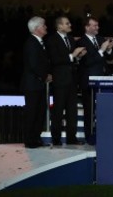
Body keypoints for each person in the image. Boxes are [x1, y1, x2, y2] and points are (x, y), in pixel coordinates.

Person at [47, 16, 85, 145]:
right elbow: (55, 59)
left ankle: (71, 138)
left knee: (72, 110)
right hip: (60, 80)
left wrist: (78, 57)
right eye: (67, 23)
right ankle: (56, 139)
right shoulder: (52, 40)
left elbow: (71, 59)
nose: (70, 25)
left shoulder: (70, 39)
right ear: (59, 26)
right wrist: (72, 55)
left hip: (72, 80)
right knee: (58, 110)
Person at [79, 17, 113, 143]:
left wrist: (109, 48)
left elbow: (110, 58)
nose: (97, 28)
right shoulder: (81, 42)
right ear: (87, 27)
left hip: (103, 80)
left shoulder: (100, 39)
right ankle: (89, 137)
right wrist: (101, 50)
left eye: (97, 25)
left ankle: (106, 135)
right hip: (89, 82)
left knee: (104, 110)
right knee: (89, 110)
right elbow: (87, 61)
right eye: (94, 25)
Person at [21, 16, 51, 148]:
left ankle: (35, 138)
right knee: (32, 112)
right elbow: (34, 64)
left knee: (39, 112)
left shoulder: (38, 42)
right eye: (43, 25)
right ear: (37, 28)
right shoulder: (32, 43)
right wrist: (45, 76)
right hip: (32, 84)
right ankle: (30, 140)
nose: (46, 27)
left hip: (38, 84)